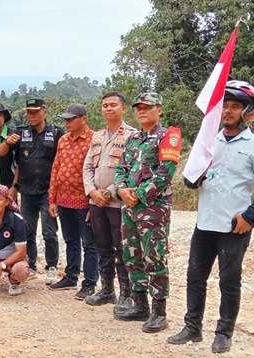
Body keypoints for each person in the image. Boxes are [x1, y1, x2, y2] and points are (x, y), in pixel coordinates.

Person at [167, 81, 254, 354]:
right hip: (204, 223)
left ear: (246, 111)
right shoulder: (208, 140)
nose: (228, 111)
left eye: (235, 106)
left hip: (234, 226)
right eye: (224, 106)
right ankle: (192, 327)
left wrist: (251, 217)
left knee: (229, 281)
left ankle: (224, 332)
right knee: (195, 277)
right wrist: (196, 177)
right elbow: (190, 180)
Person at [114, 92, 181, 334]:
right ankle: (139, 304)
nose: (141, 111)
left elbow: (166, 172)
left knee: (155, 256)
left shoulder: (168, 135)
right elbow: (121, 167)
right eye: (138, 108)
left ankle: (159, 311)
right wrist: (122, 191)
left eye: (147, 107)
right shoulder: (133, 139)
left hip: (153, 207)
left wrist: (138, 195)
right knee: (131, 255)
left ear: (158, 109)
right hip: (129, 207)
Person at [82, 92, 138, 313]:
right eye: (105, 105)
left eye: (113, 105)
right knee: (102, 246)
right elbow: (87, 167)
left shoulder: (132, 135)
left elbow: (133, 171)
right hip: (97, 203)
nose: (108, 109)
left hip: (117, 204)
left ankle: (126, 293)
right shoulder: (97, 136)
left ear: (123, 108)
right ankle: (107, 289)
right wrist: (91, 192)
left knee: (121, 248)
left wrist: (110, 192)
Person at [0, 98, 63, 283]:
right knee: (27, 230)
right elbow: (3, 153)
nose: (31, 115)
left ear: (44, 111)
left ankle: (51, 266)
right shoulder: (19, 132)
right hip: (26, 190)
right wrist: (7, 142)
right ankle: (31, 264)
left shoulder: (56, 133)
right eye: (29, 112)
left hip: (48, 191)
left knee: (49, 231)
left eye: (35, 111)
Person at [47, 104, 99, 299]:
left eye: (71, 119)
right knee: (70, 240)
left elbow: (96, 171)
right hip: (63, 200)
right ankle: (71, 276)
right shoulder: (63, 140)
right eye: (65, 120)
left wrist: (93, 202)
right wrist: (52, 199)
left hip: (84, 201)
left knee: (89, 243)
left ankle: (90, 283)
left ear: (83, 119)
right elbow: (56, 169)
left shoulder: (94, 139)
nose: (67, 123)